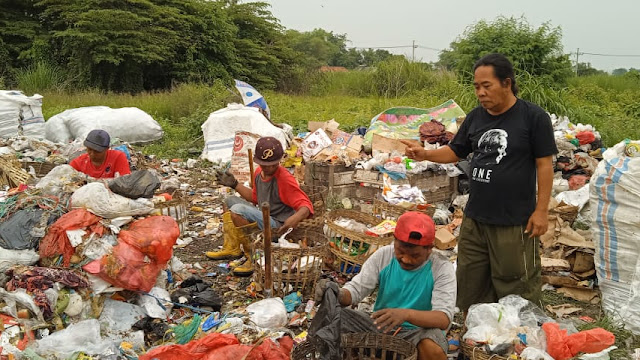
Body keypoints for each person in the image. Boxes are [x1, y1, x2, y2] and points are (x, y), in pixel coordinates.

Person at [402, 53, 557, 313]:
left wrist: (541, 211)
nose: (481, 93)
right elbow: (455, 151)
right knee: (470, 280)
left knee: (516, 284)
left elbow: (544, 165)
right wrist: (425, 154)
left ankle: (516, 339)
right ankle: (476, 337)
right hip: (476, 219)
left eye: (487, 86)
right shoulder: (476, 117)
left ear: (507, 83)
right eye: (476, 87)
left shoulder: (533, 117)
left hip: (514, 221)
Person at [311, 212, 455, 360]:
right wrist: (337, 293)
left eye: (415, 255)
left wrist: (406, 314)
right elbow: (355, 290)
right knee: (336, 318)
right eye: (400, 252)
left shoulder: (441, 268)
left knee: (432, 346)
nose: (405, 259)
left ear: (429, 249)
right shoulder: (384, 256)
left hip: (418, 333)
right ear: (394, 241)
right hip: (381, 328)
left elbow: (443, 318)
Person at [206, 136, 314, 276]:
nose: (269, 168)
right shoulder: (258, 173)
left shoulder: (284, 178)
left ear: (280, 161)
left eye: (273, 164)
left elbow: (306, 205)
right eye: (265, 165)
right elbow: (255, 198)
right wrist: (235, 185)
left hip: (278, 226)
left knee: (237, 211)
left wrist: (294, 218)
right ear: (258, 161)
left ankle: (254, 256)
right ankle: (232, 248)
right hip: (264, 216)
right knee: (230, 201)